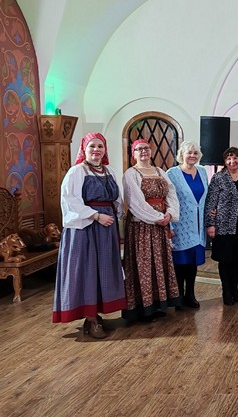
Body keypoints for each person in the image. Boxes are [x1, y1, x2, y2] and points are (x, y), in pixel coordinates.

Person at [52, 133, 127, 339]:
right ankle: (91, 318)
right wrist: (96, 216)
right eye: (92, 146)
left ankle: (96, 314)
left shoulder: (109, 171)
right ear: (84, 149)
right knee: (87, 270)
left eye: (100, 146)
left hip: (106, 228)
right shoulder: (77, 171)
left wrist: (118, 214)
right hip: (85, 229)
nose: (96, 150)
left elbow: (117, 199)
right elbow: (70, 200)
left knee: (103, 269)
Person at [122, 139, 181, 321]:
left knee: (159, 263)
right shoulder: (131, 174)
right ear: (133, 153)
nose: (143, 152)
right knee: (144, 264)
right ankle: (142, 308)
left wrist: (170, 213)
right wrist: (156, 218)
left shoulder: (160, 172)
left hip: (161, 225)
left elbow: (171, 194)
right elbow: (135, 202)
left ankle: (157, 304)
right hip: (142, 226)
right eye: (139, 149)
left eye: (146, 148)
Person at [205, 147, 238, 306]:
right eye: (228, 158)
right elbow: (210, 202)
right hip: (223, 225)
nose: (232, 161)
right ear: (225, 161)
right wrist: (210, 224)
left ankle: (235, 289)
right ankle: (226, 291)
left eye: (235, 158)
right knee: (225, 260)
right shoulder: (218, 178)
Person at [166, 141, 208, 309]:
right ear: (181, 154)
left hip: (198, 226)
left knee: (192, 263)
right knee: (180, 263)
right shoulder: (172, 173)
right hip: (180, 225)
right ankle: (178, 297)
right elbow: (167, 200)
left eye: (195, 153)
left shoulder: (202, 172)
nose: (192, 156)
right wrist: (170, 226)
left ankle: (190, 294)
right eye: (189, 152)